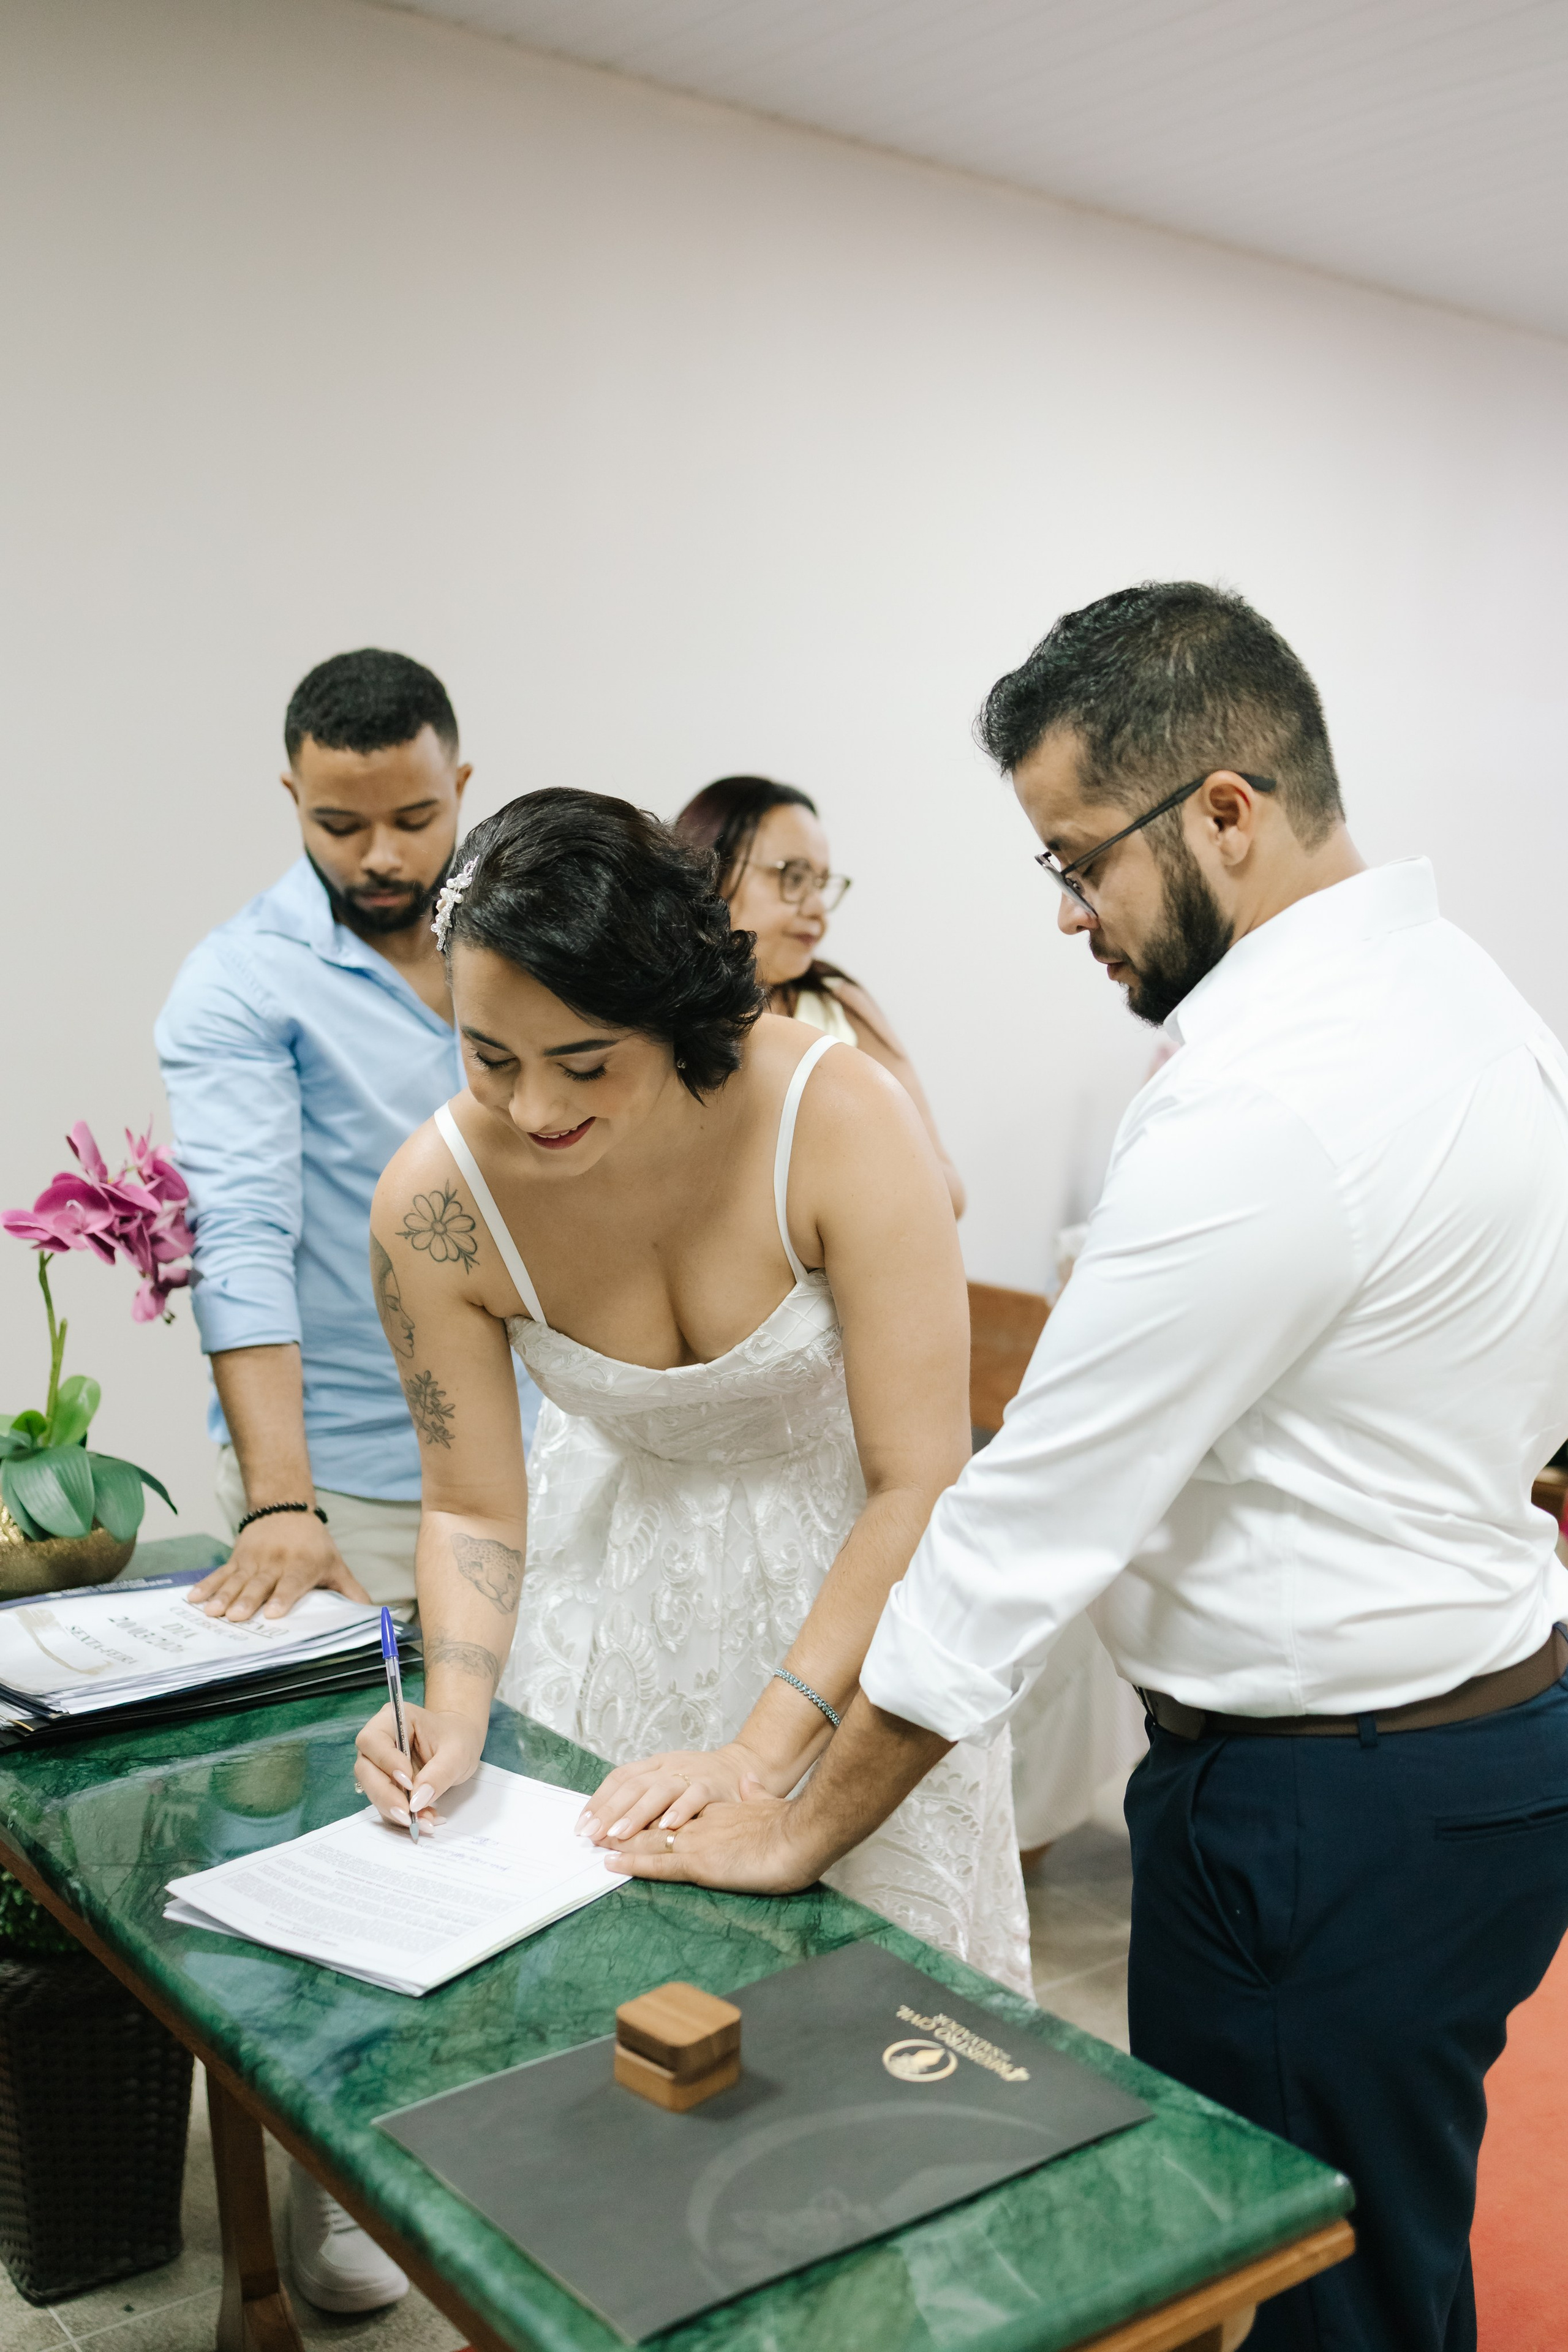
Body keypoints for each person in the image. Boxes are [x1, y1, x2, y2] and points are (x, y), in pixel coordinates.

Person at [601, 583, 1568, 2352]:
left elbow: (1015, 1534)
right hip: (1494, 1747)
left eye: (1078, 861)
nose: (1066, 916)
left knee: (1290, 2288)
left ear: (1224, 812)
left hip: (1319, 1816)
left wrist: (795, 1818)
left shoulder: (1258, 1108)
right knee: (1393, 2231)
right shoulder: (1465, 988)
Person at [352, 788, 1030, 1994]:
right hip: (611, 1606)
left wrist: (763, 1753)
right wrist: (453, 1710)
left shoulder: (835, 1117)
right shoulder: (435, 1207)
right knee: (621, 2023)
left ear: (675, 1015)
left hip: (850, 1613)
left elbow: (919, 1477)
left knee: (876, 2037)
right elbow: (469, 1501)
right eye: (488, 1056)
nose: (535, 1110)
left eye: (584, 1063)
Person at [156, 647, 530, 2315]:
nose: (380, 857)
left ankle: (524, 2136)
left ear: (464, 785)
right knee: (374, 1834)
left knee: (538, 1833)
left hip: (566, 1455)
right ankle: (347, 2195)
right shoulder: (238, 988)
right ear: (290, 800)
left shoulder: (524, 936)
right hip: (374, 1488)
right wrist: (281, 1502)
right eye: (338, 822)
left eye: (413, 818)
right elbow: (239, 1240)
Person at [675, 775, 965, 1213]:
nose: (816, 909)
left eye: (821, 883)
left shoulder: (838, 1005)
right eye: (792, 877)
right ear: (707, 870)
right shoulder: (654, 1017)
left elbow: (946, 1191)